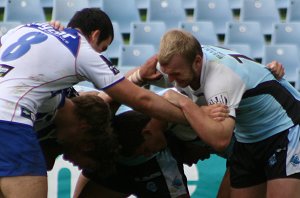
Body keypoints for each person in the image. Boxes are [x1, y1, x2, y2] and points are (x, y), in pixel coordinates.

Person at [0, 8, 188, 197]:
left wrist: (138, 76)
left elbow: (97, 104)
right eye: (103, 48)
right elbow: (141, 99)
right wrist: (191, 116)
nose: (101, 55)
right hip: (9, 119)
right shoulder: (81, 50)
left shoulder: (24, 30)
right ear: (95, 35)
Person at [139, 29, 300, 198]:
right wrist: (139, 75)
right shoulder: (180, 59)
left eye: (176, 74)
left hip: (285, 128)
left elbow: (220, 140)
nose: (170, 80)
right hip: (248, 137)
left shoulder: (220, 79)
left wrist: (183, 102)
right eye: (168, 73)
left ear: (197, 62)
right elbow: (126, 83)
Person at [74, 110, 190, 198]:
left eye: (146, 150)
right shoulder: (104, 122)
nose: (146, 153)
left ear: (147, 134)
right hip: (117, 164)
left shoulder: (177, 105)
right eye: (145, 151)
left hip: (156, 167)